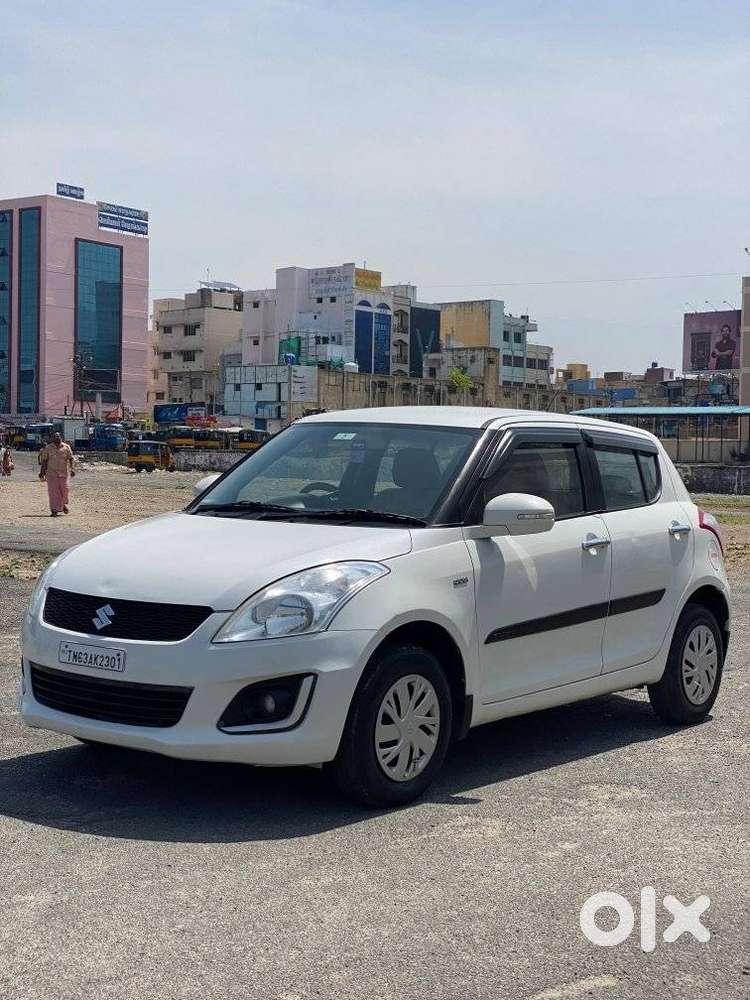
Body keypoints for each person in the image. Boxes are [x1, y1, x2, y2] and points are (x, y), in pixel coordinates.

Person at [39, 432, 75, 516]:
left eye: (58, 436)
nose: (56, 437)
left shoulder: (66, 447)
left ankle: (62, 505)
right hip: (51, 473)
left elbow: (71, 459)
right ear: (52, 438)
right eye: (55, 436)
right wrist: (42, 473)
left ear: (61, 437)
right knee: (53, 492)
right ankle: (54, 510)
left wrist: (72, 469)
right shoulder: (48, 448)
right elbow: (44, 461)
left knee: (65, 490)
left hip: (64, 473)